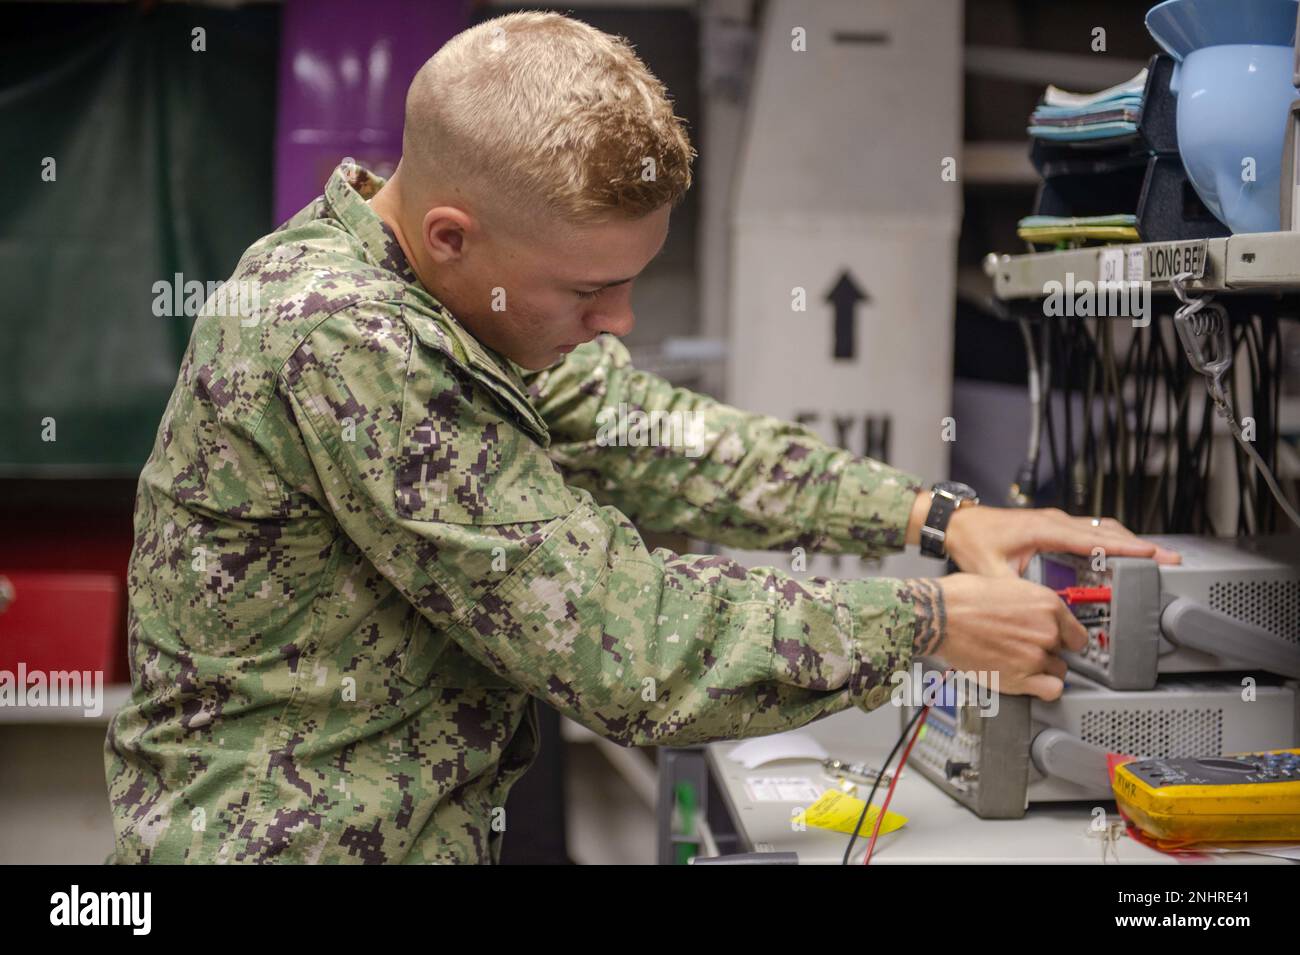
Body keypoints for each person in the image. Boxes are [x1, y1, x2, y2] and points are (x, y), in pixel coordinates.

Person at [104, 10, 1179, 864]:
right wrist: (930, 619)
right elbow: (629, 644)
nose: (617, 324)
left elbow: (659, 438)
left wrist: (937, 513)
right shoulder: (341, 337)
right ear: (450, 236)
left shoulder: (440, 295)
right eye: (589, 290)